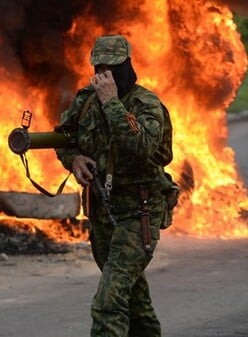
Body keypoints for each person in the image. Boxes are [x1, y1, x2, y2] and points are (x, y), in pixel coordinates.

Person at [55, 35, 173, 337]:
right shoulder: (84, 101)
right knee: (134, 300)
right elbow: (64, 139)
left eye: (113, 67)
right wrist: (75, 160)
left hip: (140, 211)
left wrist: (112, 103)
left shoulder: (146, 104)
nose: (106, 74)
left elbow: (143, 145)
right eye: (100, 67)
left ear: (127, 66)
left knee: (109, 299)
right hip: (103, 213)